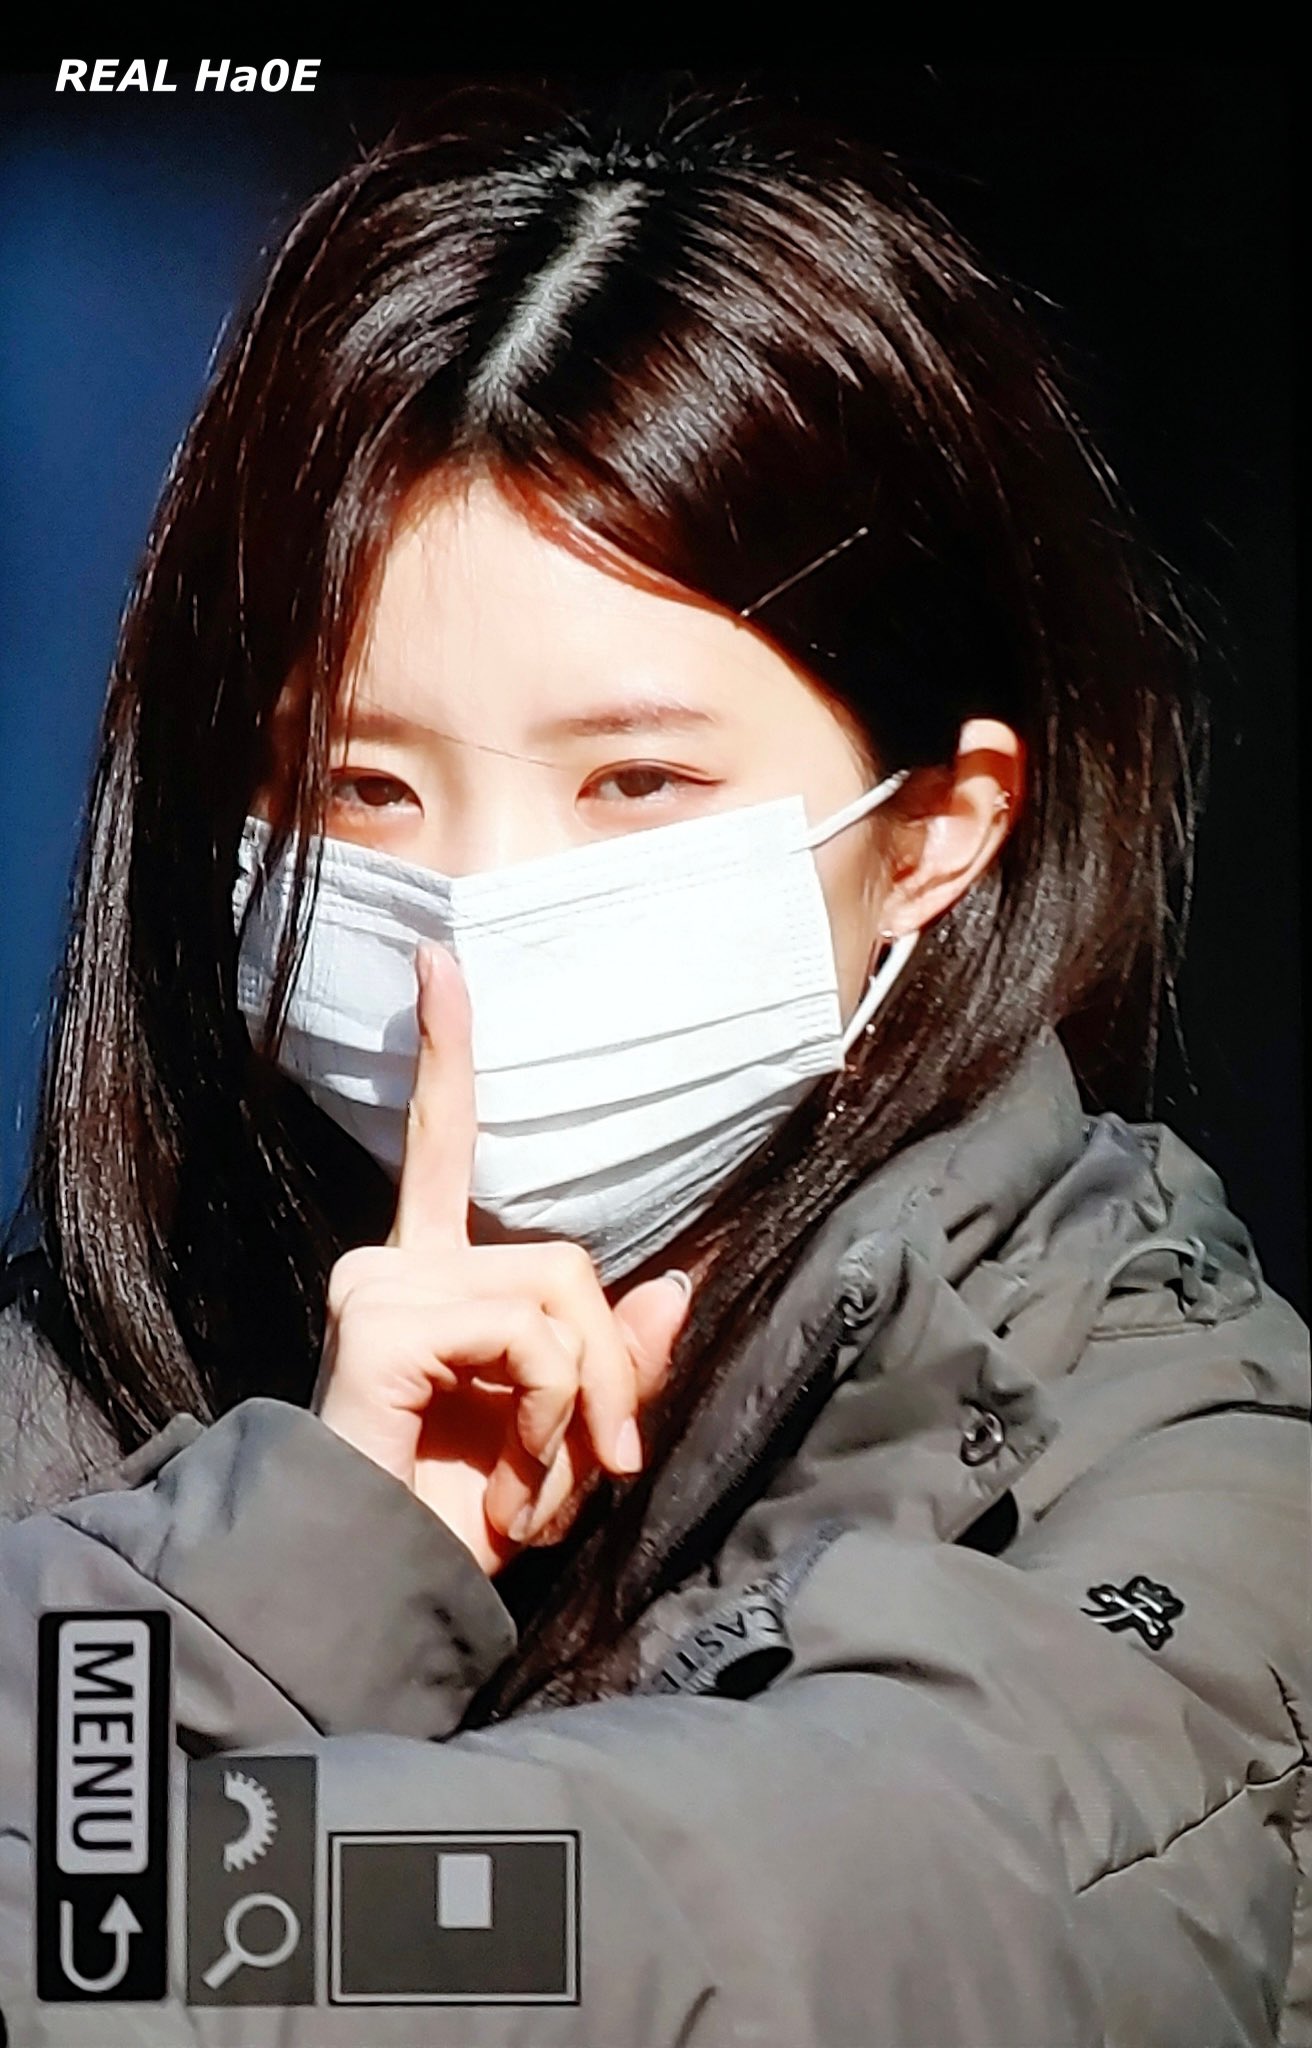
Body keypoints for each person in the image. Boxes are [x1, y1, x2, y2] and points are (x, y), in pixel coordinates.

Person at [0, 80, 1307, 2048]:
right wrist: (315, 1546)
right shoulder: (90, 1389)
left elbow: (788, 1916)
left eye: (637, 783)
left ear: (936, 829)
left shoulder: (1169, 1455)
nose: (475, 913)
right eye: (361, 787)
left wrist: (105, 1902)